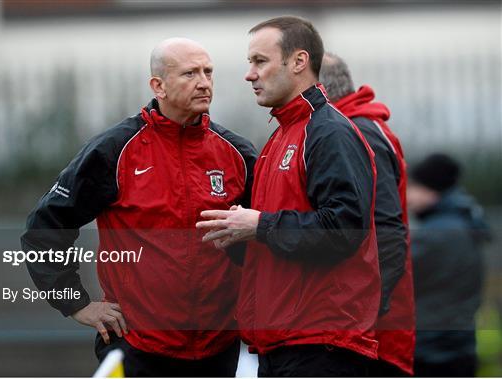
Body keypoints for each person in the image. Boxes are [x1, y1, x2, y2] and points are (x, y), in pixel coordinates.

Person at [21, 38, 257, 377]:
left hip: (218, 347)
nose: (204, 82)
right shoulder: (114, 150)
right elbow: (44, 228)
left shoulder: (237, 153)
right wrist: (76, 304)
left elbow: (263, 240)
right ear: (157, 85)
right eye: (190, 73)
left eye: (208, 72)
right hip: (137, 347)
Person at [196, 16, 380, 376]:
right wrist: (238, 235)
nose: (250, 74)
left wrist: (260, 224)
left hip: (322, 346)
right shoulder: (280, 136)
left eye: (260, 61)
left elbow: (343, 229)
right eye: (250, 63)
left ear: (298, 62)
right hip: (283, 343)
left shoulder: (328, 132)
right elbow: (282, 239)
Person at [320, 52, 415, 376]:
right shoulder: (359, 126)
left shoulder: (358, 132)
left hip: (372, 340)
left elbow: (388, 232)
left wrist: (364, 313)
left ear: (317, 87)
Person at [408, 153, 490, 377]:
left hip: (432, 352)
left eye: (414, 186)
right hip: (459, 348)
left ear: (431, 190)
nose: (408, 194)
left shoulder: (435, 234)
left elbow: (391, 277)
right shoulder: (465, 222)